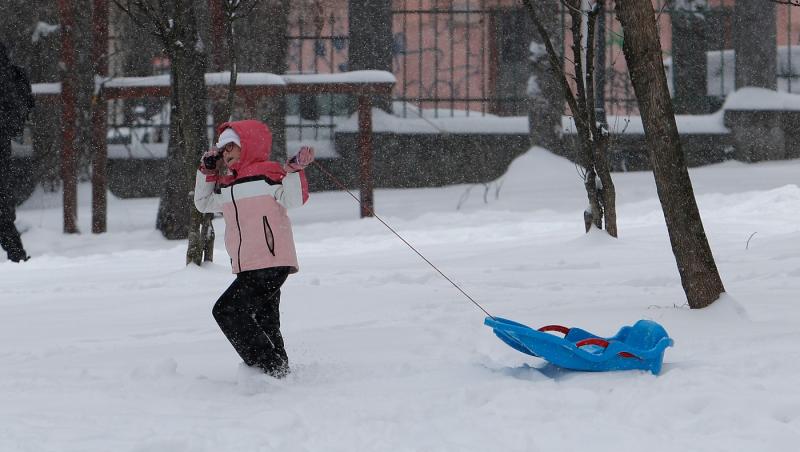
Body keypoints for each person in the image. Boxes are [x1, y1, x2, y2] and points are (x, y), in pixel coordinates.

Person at [194, 119, 314, 378]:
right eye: (222, 150)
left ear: (247, 145)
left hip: (271, 262)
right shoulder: (229, 186)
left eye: (230, 147)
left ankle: (267, 369)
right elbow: (203, 204)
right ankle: (279, 373)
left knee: (227, 311)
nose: (225, 154)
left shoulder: (268, 176)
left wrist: (293, 171)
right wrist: (207, 172)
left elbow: (294, 199)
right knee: (265, 321)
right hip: (247, 265)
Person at [0, 42, 33, 263]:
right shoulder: (9, 71)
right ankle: (17, 257)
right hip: (2, 143)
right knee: (2, 210)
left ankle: (17, 257)